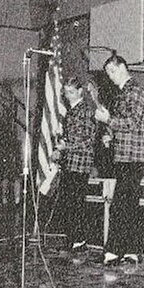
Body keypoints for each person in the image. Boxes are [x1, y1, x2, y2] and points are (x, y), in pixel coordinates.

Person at [94, 54, 144, 266]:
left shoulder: (134, 90)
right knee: (128, 203)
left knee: (121, 203)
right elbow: (124, 125)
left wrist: (108, 119)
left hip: (133, 156)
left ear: (122, 68)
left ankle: (114, 250)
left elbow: (132, 122)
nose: (109, 77)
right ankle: (132, 250)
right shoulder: (124, 92)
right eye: (108, 73)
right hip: (127, 155)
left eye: (111, 71)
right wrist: (111, 134)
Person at [52, 77, 97, 259]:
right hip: (70, 162)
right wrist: (60, 150)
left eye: (71, 92)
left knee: (76, 203)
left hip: (80, 163)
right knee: (69, 203)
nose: (67, 95)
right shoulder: (72, 111)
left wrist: (66, 147)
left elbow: (87, 141)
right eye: (65, 92)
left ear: (80, 91)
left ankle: (79, 242)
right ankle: (73, 241)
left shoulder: (85, 111)